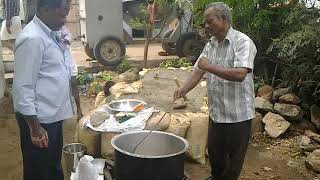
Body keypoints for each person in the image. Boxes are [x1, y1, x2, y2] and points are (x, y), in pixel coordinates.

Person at [173, 2, 257, 180]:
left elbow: (240, 74)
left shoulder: (243, 42)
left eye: (210, 21)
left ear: (224, 19)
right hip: (217, 113)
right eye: (205, 22)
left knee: (233, 162)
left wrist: (210, 66)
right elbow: (198, 71)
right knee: (216, 155)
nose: (206, 26)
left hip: (238, 116)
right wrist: (183, 89)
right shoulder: (211, 44)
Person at [13, 0, 71, 179]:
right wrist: (36, 128)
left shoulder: (50, 33)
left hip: (51, 115)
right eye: (62, 14)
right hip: (39, 120)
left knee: (51, 165)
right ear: (45, 9)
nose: (64, 20)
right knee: (39, 170)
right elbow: (23, 87)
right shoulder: (32, 39)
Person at [61, 25, 83, 120]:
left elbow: (69, 35)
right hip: (55, 61)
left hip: (66, 56)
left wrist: (65, 41)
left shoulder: (59, 25)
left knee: (73, 83)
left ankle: (79, 109)